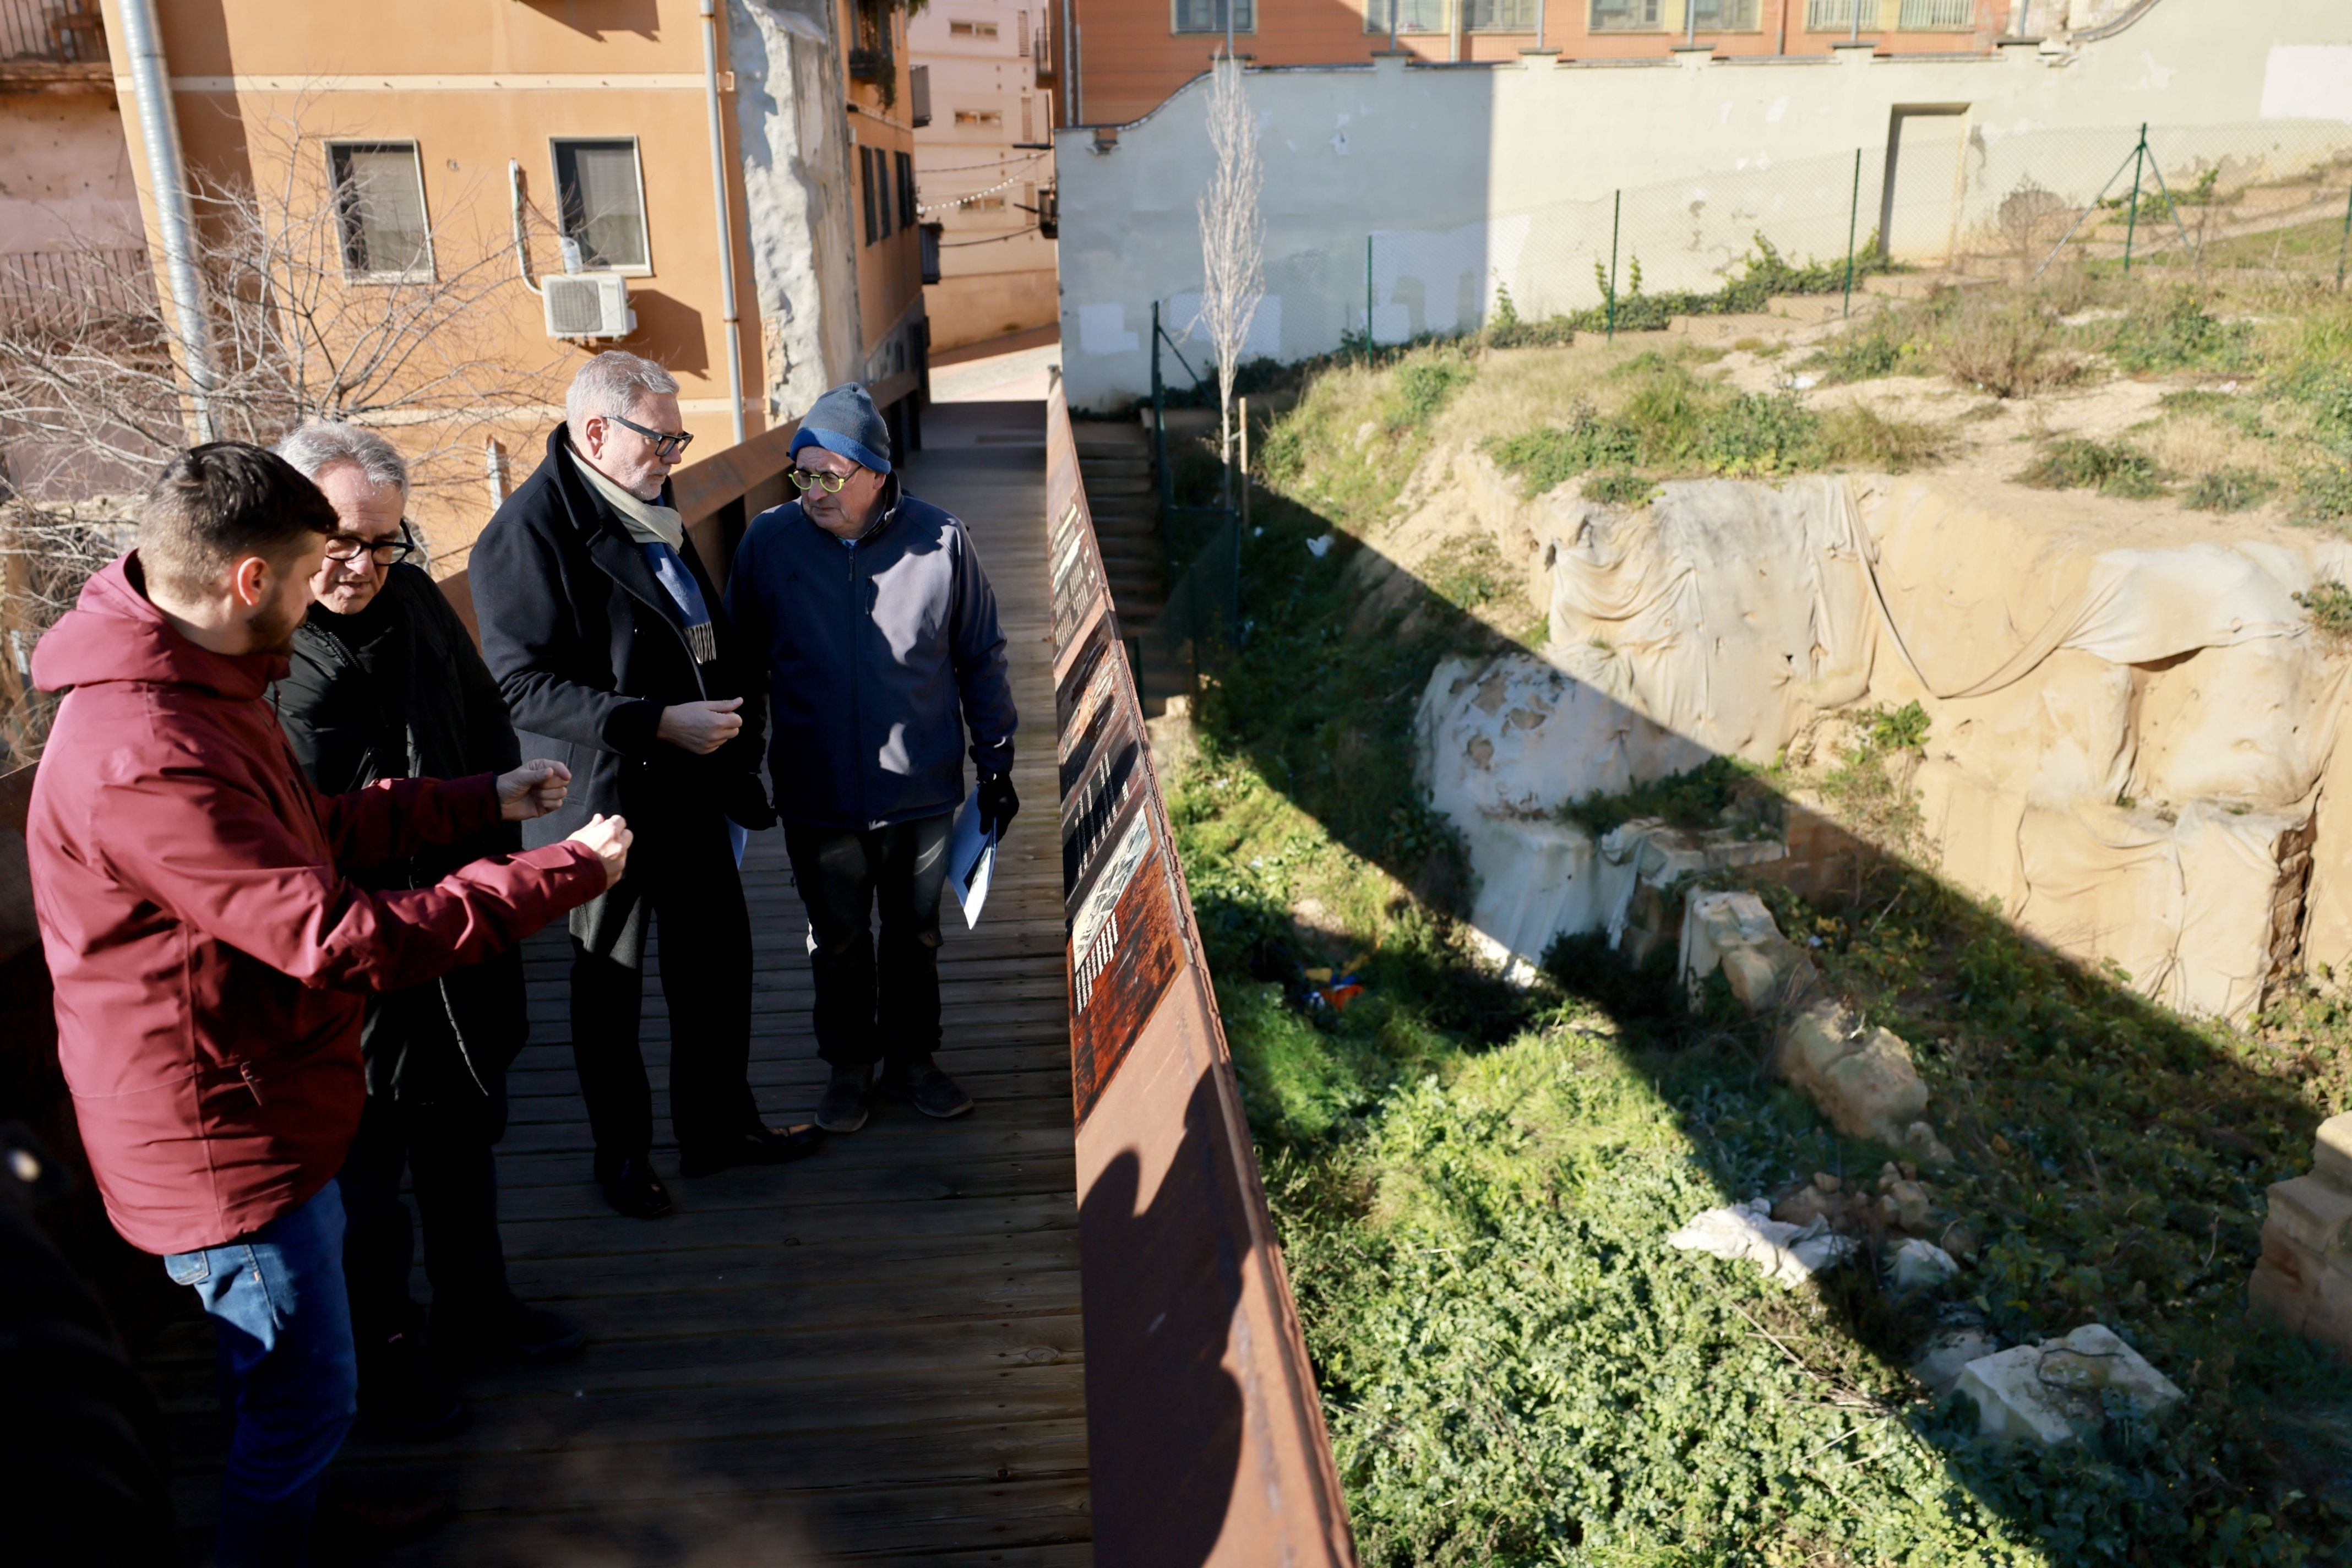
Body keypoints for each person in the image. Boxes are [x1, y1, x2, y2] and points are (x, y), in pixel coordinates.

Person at [25, 443, 628, 1567]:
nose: (332, 594)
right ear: (252, 580)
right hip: (219, 1137)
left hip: (264, 1096)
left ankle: (315, 1507)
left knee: (289, 1380)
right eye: (316, 572)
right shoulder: (147, 751)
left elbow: (309, 834)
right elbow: (330, 934)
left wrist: (468, 797)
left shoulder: (201, 683)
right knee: (302, 1393)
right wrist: (557, 872)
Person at [270, 422, 585, 1444]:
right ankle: (384, 1353)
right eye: (342, 542)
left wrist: (508, 801)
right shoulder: (270, 656)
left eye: (384, 543)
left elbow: (484, 713)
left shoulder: (410, 598)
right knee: (367, 1176)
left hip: (454, 915)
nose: (361, 566)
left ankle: (476, 1307)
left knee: (464, 1126)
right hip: (357, 946)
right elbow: (307, 830)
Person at [471, 351, 819, 1221]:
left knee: (717, 964)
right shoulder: (529, 531)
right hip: (606, 798)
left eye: (678, 438)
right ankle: (622, 1158)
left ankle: (718, 1128)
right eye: (662, 438)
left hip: (690, 786)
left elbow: (695, 629)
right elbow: (521, 685)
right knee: (609, 987)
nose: (675, 454)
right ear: (598, 432)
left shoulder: (646, 504)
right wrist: (657, 720)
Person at [726, 384, 1019, 1135]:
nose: (813, 492)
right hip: (815, 789)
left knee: (916, 933)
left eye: (830, 476)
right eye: (802, 474)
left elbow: (980, 656)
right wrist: (741, 764)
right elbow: (739, 665)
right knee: (839, 939)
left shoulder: (942, 539)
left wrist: (996, 763)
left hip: (919, 789)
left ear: (877, 476)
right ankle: (849, 1068)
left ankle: (914, 1061)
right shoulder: (768, 542)